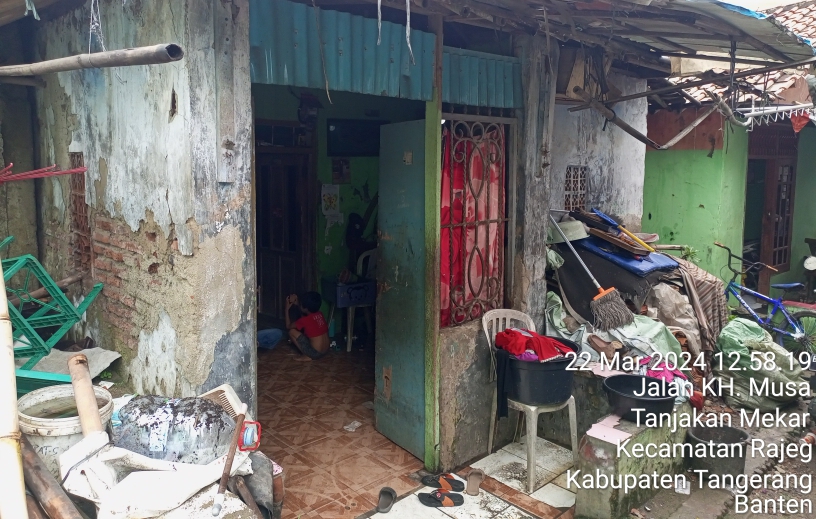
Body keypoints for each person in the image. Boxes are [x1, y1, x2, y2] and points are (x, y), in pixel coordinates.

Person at [285, 292, 330, 361]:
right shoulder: (320, 314)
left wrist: (286, 309)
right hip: (326, 350)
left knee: (292, 332)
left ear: (305, 308)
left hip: (315, 354)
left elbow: (288, 326)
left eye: (301, 304)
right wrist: (298, 305)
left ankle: (307, 356)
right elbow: (305, 315)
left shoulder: (304, 320)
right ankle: (310, 353)